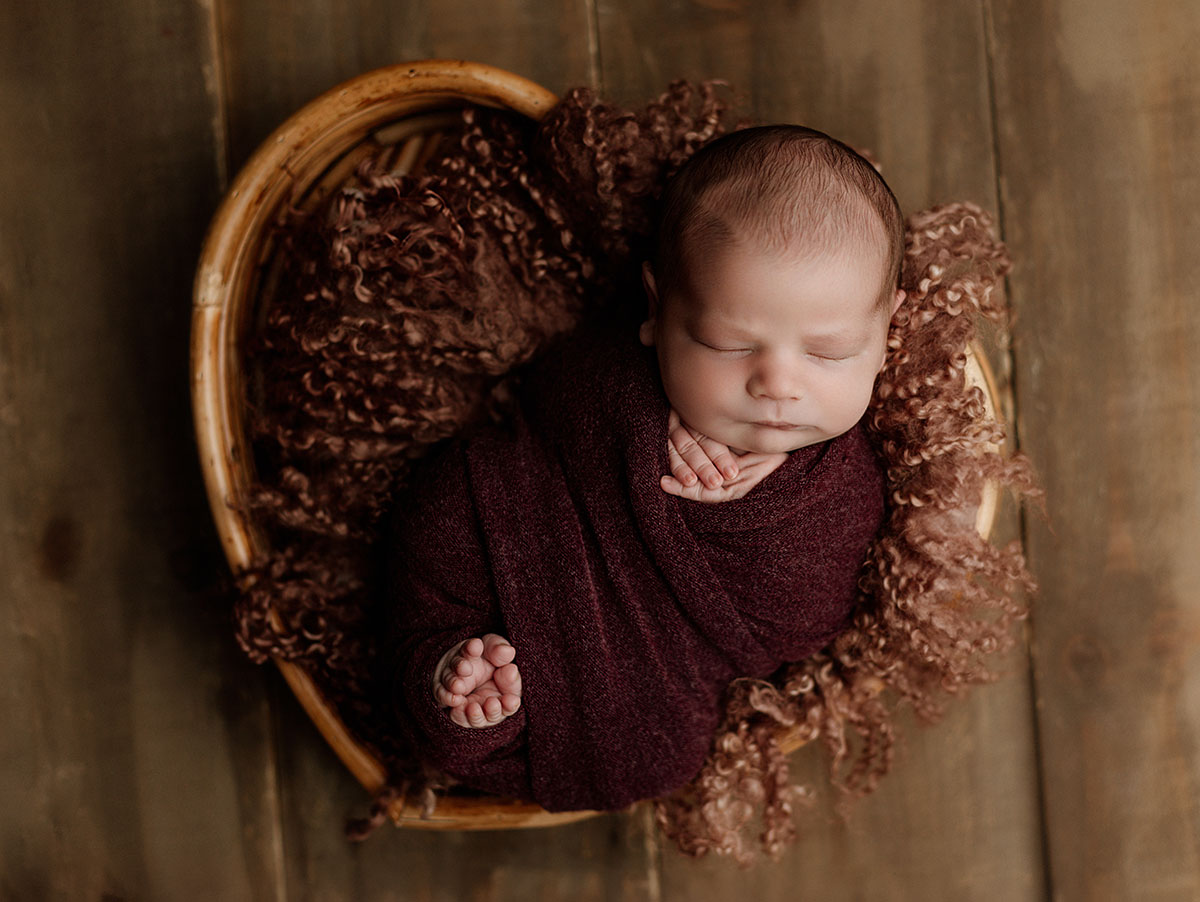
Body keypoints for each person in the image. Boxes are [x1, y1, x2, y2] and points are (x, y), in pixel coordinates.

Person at [384, 124, 906, 810]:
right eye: (726, 344)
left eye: (829, 352)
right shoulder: (621, 366)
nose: (777, 385)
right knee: (441, 516)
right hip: (519, 531)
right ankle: (437, 668)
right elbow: (550, 393)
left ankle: (465, 699)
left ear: (887, 332)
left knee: (660, 754)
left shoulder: (843, 491)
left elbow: (796, 635)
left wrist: (742, 517)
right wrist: (639, 422)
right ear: (657, 311)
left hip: (648, 671)